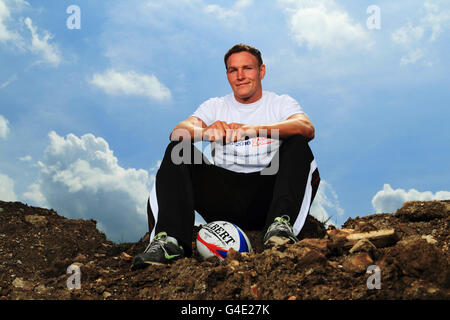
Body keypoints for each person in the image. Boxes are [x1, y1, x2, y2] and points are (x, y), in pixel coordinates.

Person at [132, 44, 320, 269]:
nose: (240, 76)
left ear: (261, 71)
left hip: (268, 196)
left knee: (298, 144)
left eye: (247, 68)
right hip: (223, 197)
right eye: (233, 70)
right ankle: (170, 243)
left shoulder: (280, 103)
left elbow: (306, 127)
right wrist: (206, 132)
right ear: (228, 75)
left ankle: (280, 227)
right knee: (178, 150)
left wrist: (255, 129)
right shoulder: (215, 105)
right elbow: (178, 131)